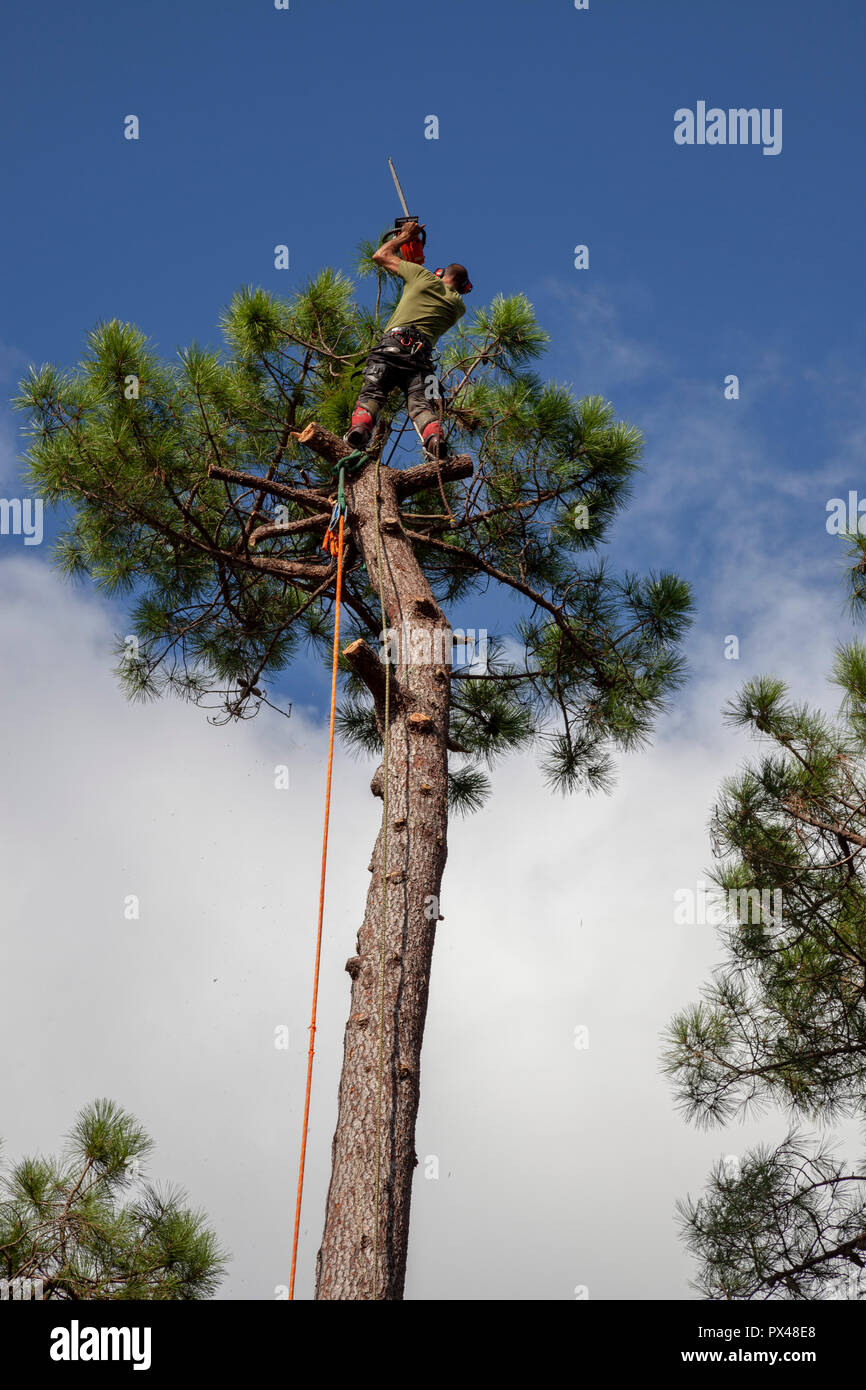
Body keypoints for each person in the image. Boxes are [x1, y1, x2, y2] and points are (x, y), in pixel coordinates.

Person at [345, 220, 472, 459]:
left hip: (391, 347)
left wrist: (405, 236)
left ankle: (360, 430)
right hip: (420, 361)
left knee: (373, 394)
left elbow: (380, 255)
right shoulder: (458, 306)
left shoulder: (421, 276)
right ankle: (434, 441)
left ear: (441, 273)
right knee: (422, 406)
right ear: (463, 287)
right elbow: (440, 285)